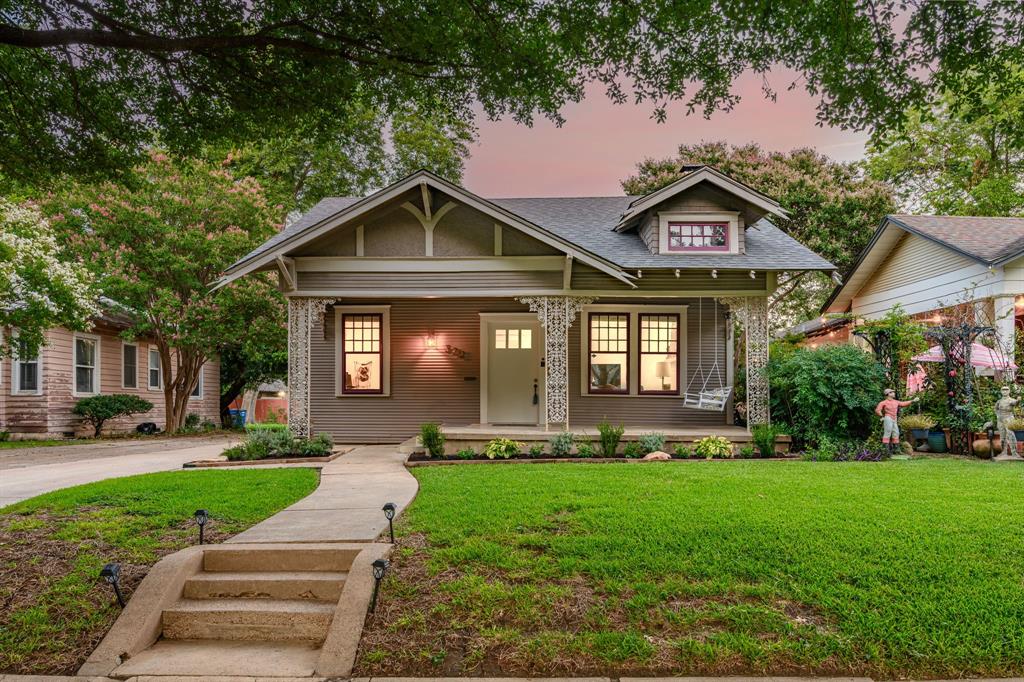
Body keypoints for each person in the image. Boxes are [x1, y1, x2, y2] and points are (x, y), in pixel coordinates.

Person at [875, 388, 919, 454]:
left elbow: (903, 403)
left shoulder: (896, 402)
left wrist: (913, 401)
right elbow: (877, 410)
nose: (894, 393)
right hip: (888, 418)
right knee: (888, 432)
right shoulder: (883, 402)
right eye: (892, 392)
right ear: (888, 394)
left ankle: (896, 450)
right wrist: (881, 416)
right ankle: (886, 450)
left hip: (894, 418)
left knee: (896, 433)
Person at [994, 385, 1020, 457]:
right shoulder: (999, 401)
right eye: (1003, 390)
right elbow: (995, 408)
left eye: (1006, 390)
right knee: (1002, 437)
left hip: (1009, 418)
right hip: (1000, 419)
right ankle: (1003, 452)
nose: (1005, 391)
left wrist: (1018, 400)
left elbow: (1015, 403)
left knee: (1011, 435)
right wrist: (997, 415)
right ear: (1001, 391)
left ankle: (1014, 452)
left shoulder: (1011, 400)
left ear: (1009, 391)